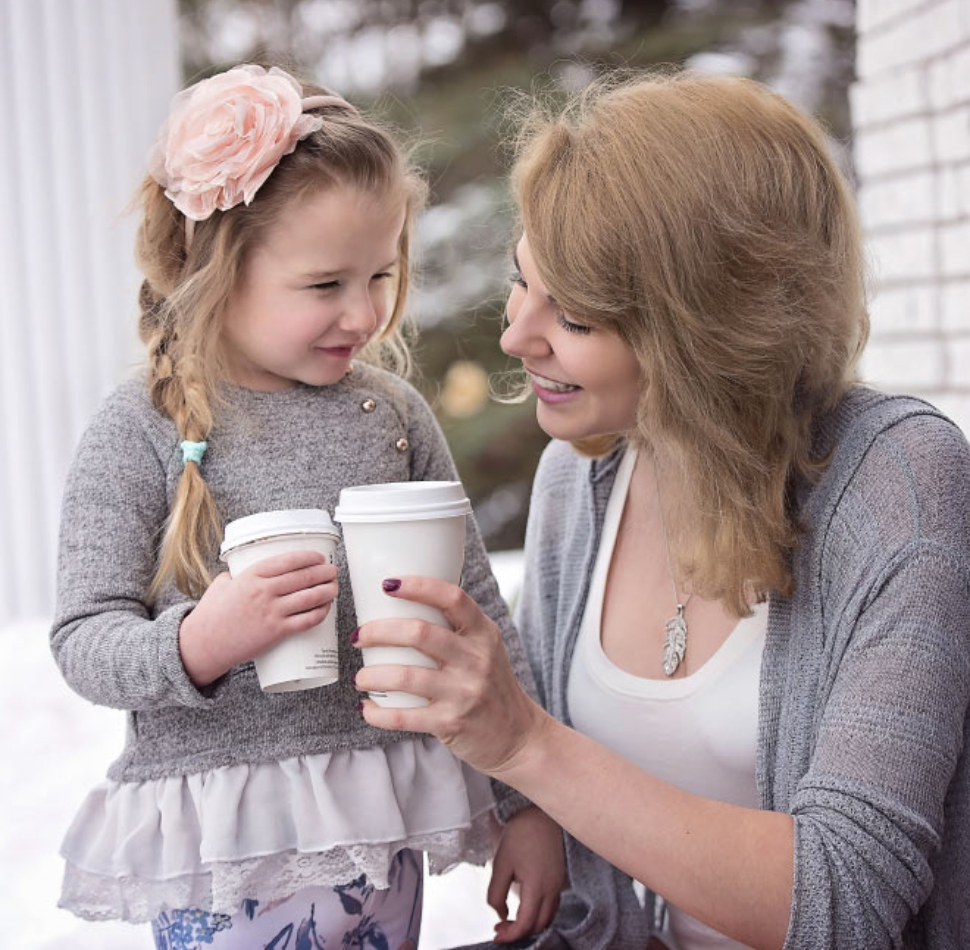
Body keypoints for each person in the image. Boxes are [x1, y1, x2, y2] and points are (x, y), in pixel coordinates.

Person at [352, 71, 970, 949]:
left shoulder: (899, 482)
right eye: (521, 282)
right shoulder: (582, 474)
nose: (516, 335)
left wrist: (525, 743)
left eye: (573, 313)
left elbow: (847, 902)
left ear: (705, 327)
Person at [50, 63, 564, 950]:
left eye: (381, 274)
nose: (364, 313)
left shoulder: (391, 417)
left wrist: (529, 804)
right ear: (213, 267)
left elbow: (475, 611)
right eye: (326, 285)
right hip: (223, 841)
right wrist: (198, 643)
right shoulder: (143, 426)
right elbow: (82, 638)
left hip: (373, 818)